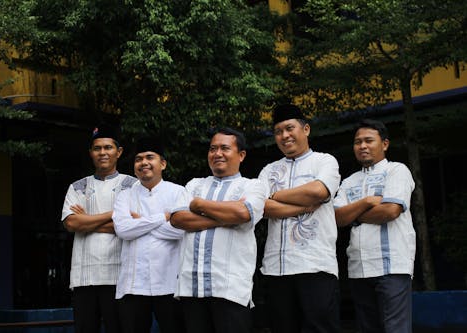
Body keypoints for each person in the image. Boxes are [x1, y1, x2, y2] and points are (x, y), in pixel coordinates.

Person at [170, 127, 267, 333]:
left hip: (230, 287)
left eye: (225, 148)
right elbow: (178, 218)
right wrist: (225, 217)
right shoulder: (194, 185)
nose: (217, 154)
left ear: (241, 155)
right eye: (213, 149)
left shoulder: (253, 186)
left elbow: (243, 214)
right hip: (192, 287)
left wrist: (199, 206)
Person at [258, 104, 341, 333]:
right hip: (276, 268)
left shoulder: (325, 161)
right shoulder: (269, 170)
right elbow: (262, 207)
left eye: (289, 128)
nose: (284, 135)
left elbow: (318, 191)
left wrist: (275, 195)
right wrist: (301, 207)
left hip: (315, 265)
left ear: (306, 129)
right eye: (278, 131)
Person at [333, 119, 415, 333]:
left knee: (395, 329)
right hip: (359, 267)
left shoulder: (397, 170)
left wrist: (355, 215)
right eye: (357, 142)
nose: (362, 146)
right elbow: (337, 218)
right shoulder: (349, 181)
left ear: (384, 144)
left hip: (392, 265)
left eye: (369, 140)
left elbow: (390, 211)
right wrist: (368, 202)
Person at [61, 125, 136, 333]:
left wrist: (86, 220)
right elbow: (71, 224)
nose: (102, 153)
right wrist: (113, 215)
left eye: (108, 147)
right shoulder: (78, 186)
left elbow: (131, 225)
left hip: (120, 277)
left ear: (118, 152)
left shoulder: (132, 185)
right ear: (91, 153)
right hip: (84, 277)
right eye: (97, 148)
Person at [112, 138, 186, 333]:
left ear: (162, 163)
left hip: (170, 283)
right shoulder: (125, 195)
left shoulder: (179, 192)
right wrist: (162, 217)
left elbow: (181, 231)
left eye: (149, 157)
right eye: (138, 159)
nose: (143, 162)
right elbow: (123, 230)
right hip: (133, 284)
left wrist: (140, 221)